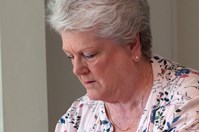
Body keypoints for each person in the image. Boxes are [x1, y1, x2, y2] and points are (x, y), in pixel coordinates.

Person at [47, 0, 199, 131]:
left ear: (132, 45)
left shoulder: (187, 102)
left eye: (89, 55)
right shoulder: (76, 118)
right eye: (70, 57)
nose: (77, 69)